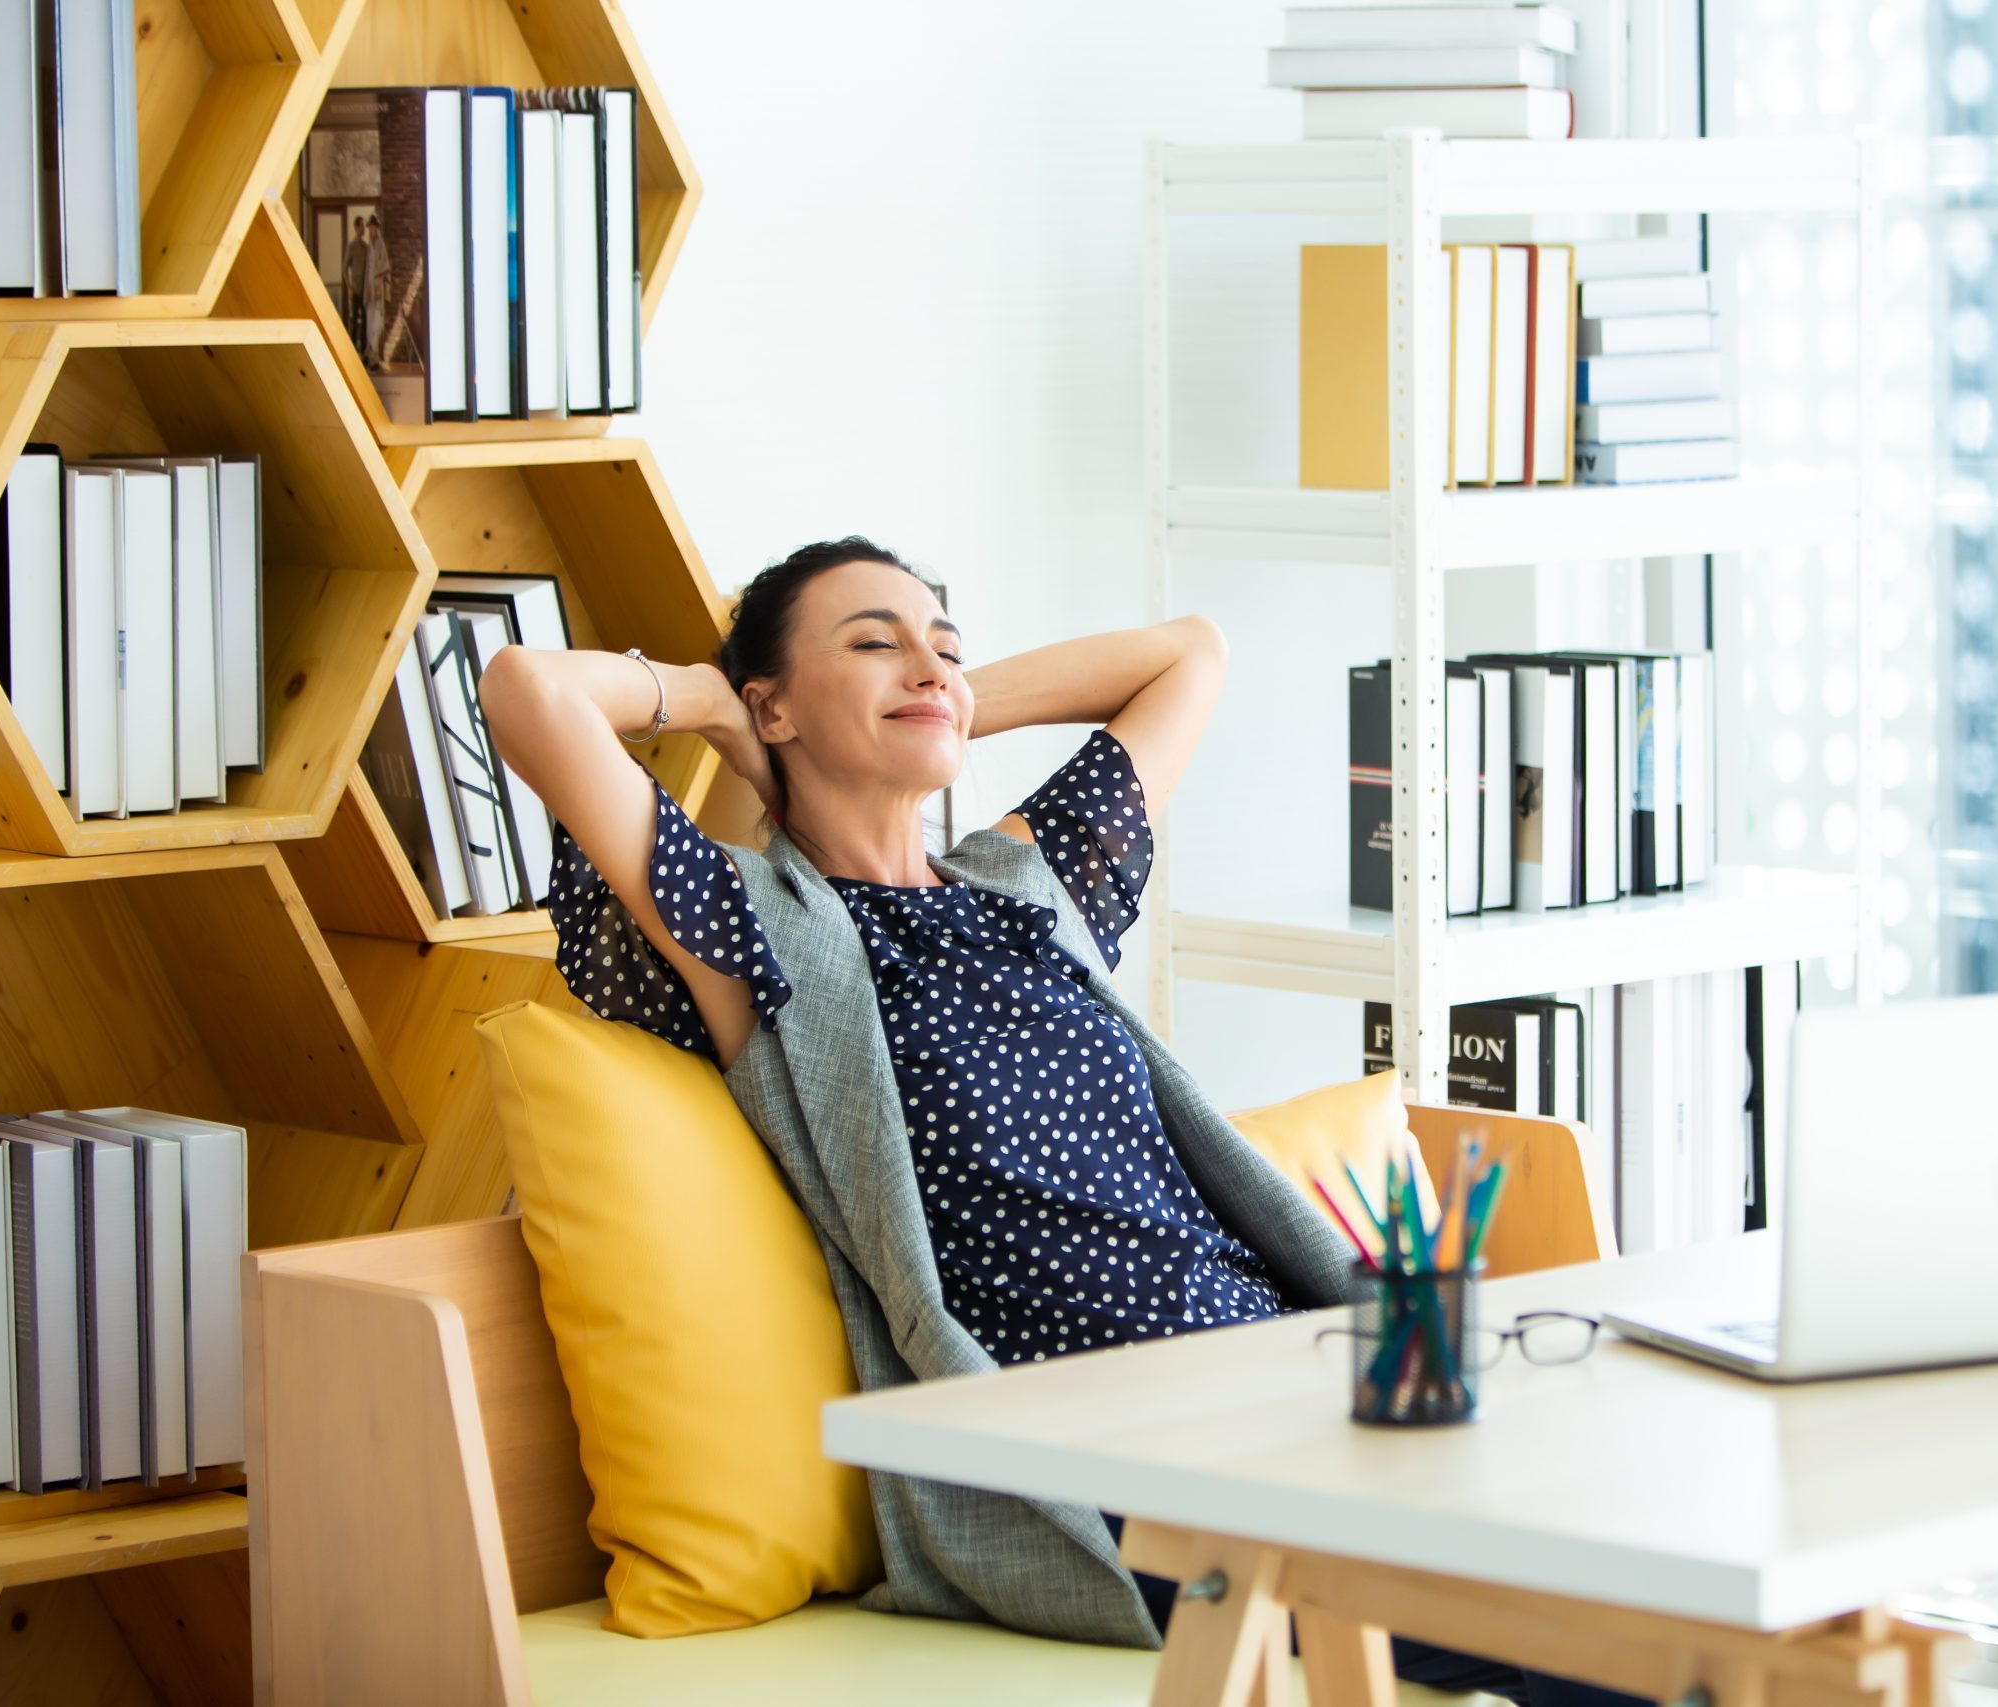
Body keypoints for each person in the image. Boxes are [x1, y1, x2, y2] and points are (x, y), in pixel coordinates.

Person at [479, 538, 1650, 1707]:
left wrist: (946, 706)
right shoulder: (767, 932)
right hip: (1118, 1449)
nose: (927, 664)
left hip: (1290, 1374)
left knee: (1662, 1531)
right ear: (773, 701)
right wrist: (715, 703)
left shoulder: (1025, 888)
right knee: (1595, 1627)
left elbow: (1189, 656)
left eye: (946, 644)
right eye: (874, 643)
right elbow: (530, 692)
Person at [340, 214, 370, 353]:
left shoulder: (366, 247)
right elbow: (344, 268)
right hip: (355, 288)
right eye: (362, 226)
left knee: (365, 321)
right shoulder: (351, 247)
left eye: (365, 226)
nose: (364, 229)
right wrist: (349, 288)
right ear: (357, 227)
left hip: (365, 290)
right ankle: (352, 350)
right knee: (353, 320)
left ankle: (363, 351)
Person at [362, 214, 389, 364]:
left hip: (377, 286)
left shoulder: (380, 245)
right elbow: (368, 268)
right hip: (369, 287)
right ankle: (370, 351)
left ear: (376, 229)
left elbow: (384, 266)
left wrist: (379, 282)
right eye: (370, 228)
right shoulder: (369, 246)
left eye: (373, 228)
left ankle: (371, 351)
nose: (371, 230)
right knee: (369, 319)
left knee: (377, 321)